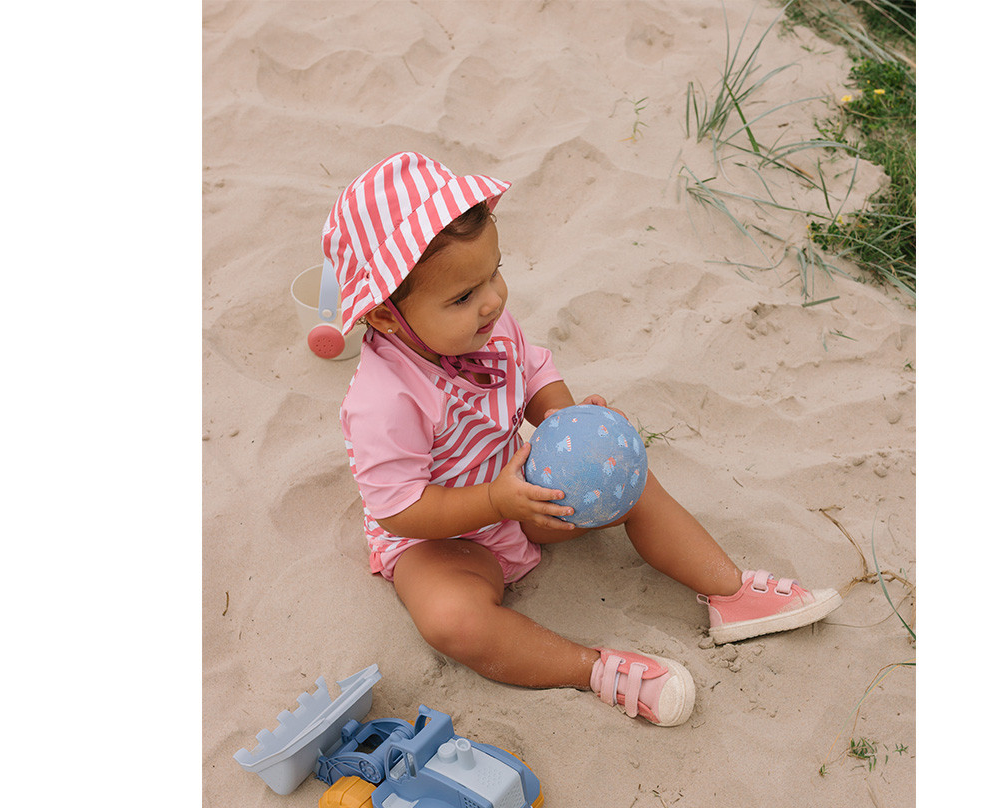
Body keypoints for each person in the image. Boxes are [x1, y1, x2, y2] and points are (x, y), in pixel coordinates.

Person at [328, 152, 841, 728]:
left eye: (494, 273)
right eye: (463, 297)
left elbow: (533, 373)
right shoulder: (384, 400)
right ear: (386, 318)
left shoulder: (486, 328)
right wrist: (494, 501)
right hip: (441, 537)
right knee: (452, 620)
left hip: (522, 495)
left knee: (620, 468)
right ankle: (591, 668)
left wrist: (570, 426)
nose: (493, 300)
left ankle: (730, 592)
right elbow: (400, 509)